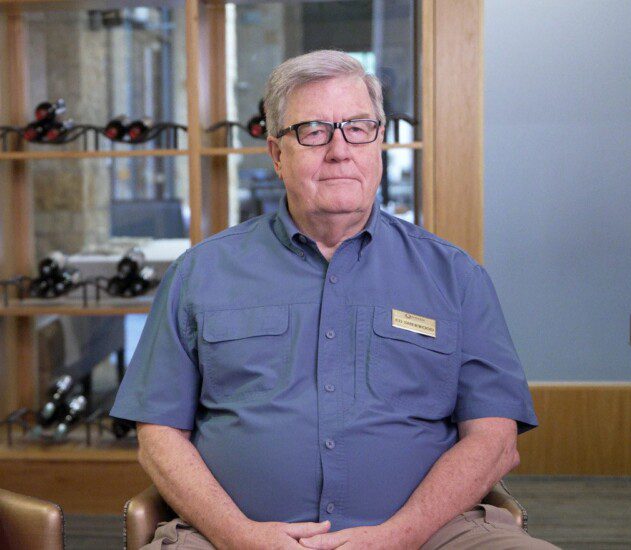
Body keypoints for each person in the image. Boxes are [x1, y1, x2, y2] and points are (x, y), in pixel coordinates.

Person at [111, 50, 557, 549]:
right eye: (314, 131)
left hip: (434, 535)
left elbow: (495, 441)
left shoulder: (454, 277)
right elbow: (158, 437)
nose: (340, 150)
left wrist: (399, 535)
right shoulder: (200, 273)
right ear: (277, 154)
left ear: (379, 143)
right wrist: (239, 535)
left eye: (358, 128)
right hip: (226, 540)